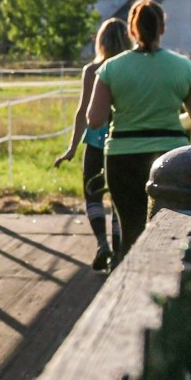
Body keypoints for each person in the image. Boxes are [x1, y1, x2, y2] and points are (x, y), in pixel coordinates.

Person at [87, 0, 191, 263]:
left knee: (130, 231)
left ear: (131, 30)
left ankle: (125, 286)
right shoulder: (184, 67)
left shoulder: (111, 69)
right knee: (170, 229)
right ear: (162, 28)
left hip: (122, 158)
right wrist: (174, 125)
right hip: (172, 156)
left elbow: (94, 120)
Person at [54, 17, 130, 270]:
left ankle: (102, 245)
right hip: (122, 139)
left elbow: (82, 113)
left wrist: (72, 147)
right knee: (120, 198)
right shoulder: (130, 66)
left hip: (95, 142)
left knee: (93, 195)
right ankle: (119, 250)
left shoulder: (91, 70)